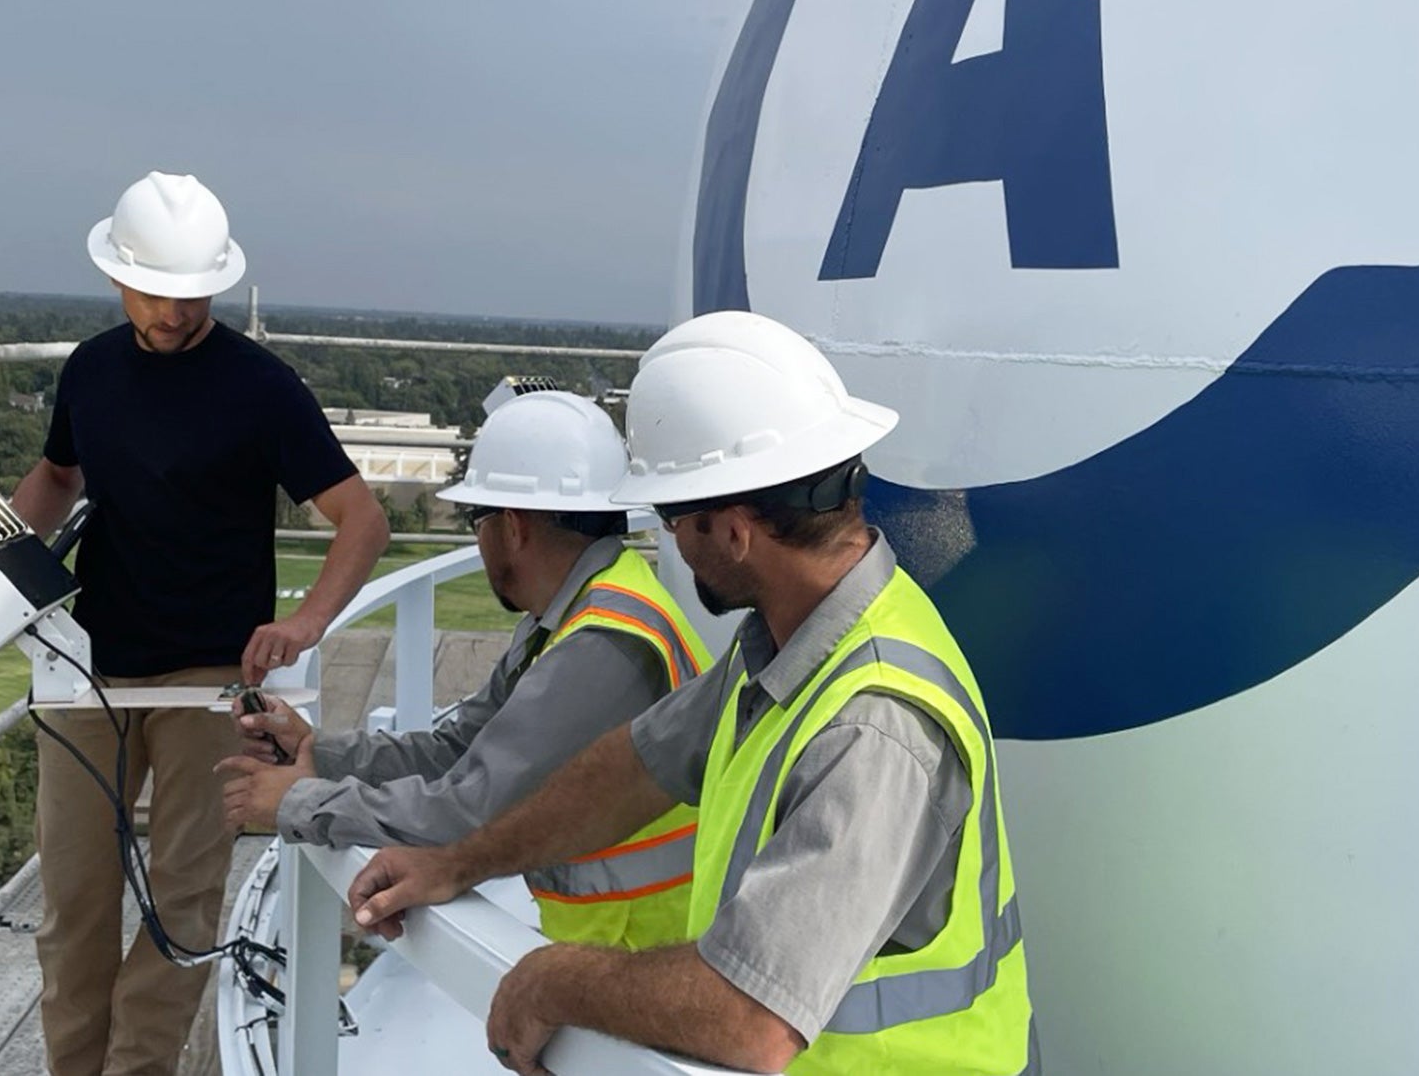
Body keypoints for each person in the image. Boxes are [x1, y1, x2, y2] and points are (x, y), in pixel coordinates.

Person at [345, 312, 1039, 1075]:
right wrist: (460, 860)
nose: (670, 541)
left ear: (734, 532)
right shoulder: (789, 640)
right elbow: (635, 767)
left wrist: (556, 979)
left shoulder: (873, 724)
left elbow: (752, 1015)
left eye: (675, 515)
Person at [10, 170, 389, 1076]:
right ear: (117, 275)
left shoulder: (261, 387)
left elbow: (362, 518)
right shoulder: (91, 369)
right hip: (91, 670)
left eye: (193, 294)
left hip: (211, 682)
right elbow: (58, 475)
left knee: (179, 904)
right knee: (73, 904)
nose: (175, 312)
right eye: (155, 293)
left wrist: (306, 621)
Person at [214, 389, 710, 949]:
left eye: (477, 517)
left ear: (513, 526)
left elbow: (471, 807)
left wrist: (301, 803)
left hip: (647, 947)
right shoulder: (571, 615)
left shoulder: (602, 646)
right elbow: (457, 748)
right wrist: (320, 754)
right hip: (619, 937)